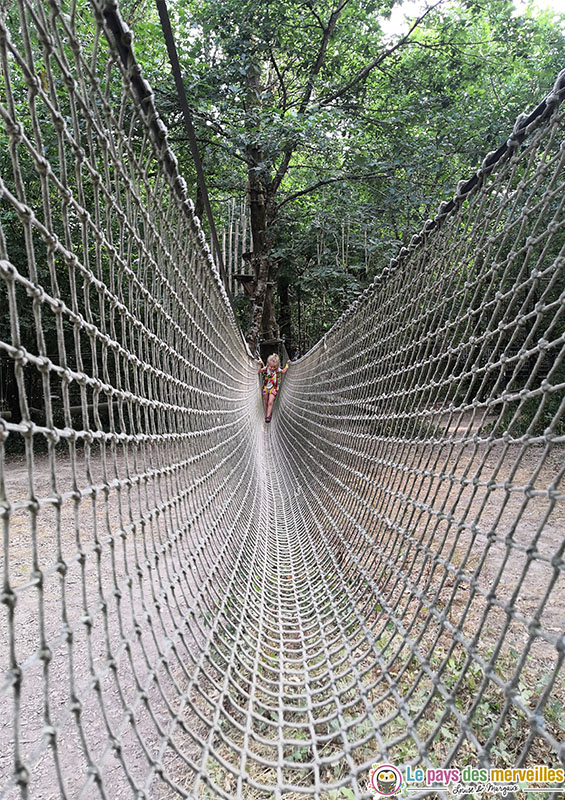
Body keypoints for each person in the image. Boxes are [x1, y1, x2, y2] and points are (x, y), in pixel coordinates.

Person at [258, 353, 289, 423]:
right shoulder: (266, 369)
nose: (272, 368)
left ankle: (268, 417)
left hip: (273, 388)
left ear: (277, 366)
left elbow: (283, 371)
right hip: (265, 388)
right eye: (271, 366)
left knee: (270, 402)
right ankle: (266, 414)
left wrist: (287, 365)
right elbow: (259, 371)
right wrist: (260, 365)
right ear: (268, 364)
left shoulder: (277, 370)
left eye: (274, 367)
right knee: (266, 402)